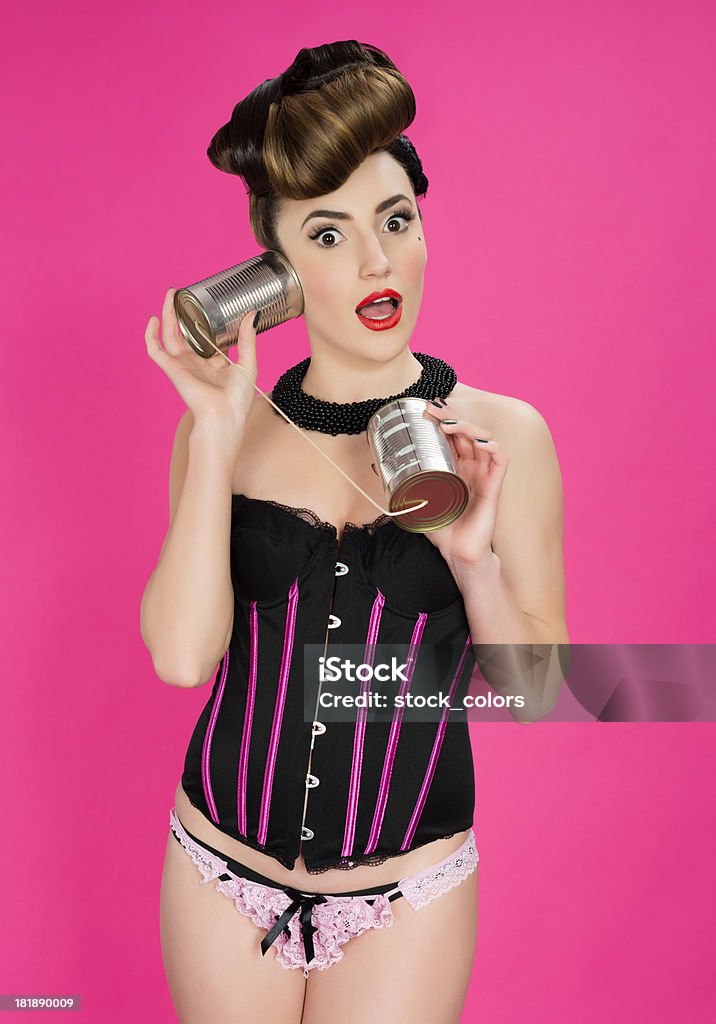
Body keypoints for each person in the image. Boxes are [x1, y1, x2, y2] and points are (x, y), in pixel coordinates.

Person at [140, 39, 567, 1024]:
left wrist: (470, 558)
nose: (376, 260)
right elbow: (177, 655)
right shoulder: (228, 432)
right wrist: (212, 429)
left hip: (405, 896)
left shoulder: (504, 435)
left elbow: (537, 693)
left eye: (394, 219)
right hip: (219, 871)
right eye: (326, 235)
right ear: (274, 269)